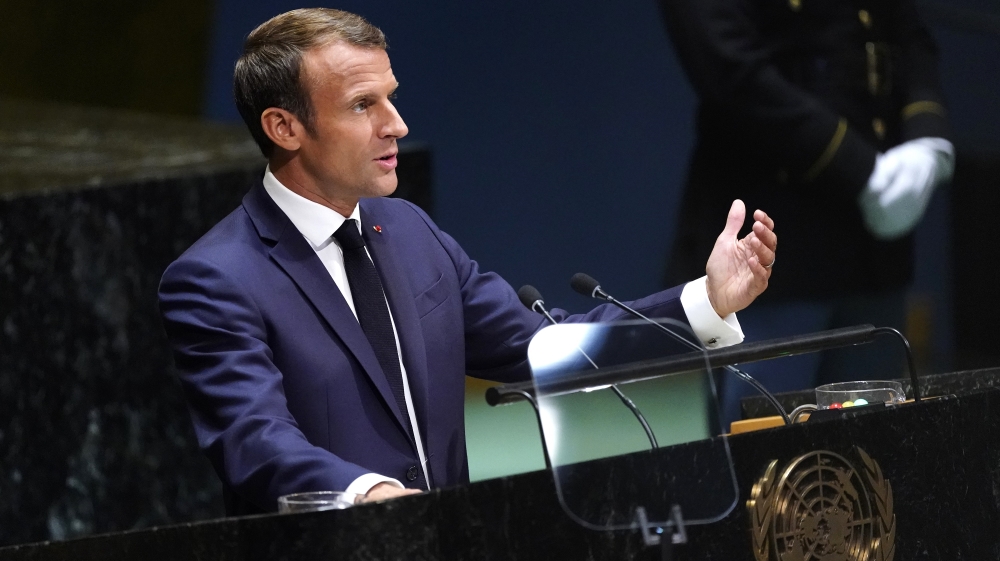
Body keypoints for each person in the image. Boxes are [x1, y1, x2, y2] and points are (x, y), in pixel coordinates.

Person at [158, 8, 777, 514]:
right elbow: (254, 440)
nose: (395, 125)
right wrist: (369, 493)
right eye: (361, 105)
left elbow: (546, 348)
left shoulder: (410, 232)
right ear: (284, 127)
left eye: (391, 99)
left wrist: (706, 302)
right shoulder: (216, 280)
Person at [658, 0, 953, 423]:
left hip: (875, 251)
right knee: (766, 460)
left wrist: (928, 138)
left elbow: (909, 35)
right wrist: (861, 171)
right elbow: (729, 68)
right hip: (775, 250)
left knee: (876, 456)